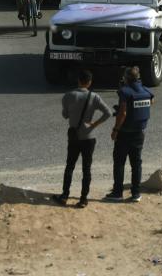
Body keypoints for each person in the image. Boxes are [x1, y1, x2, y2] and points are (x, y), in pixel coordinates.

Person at [52, 69, 112, 208]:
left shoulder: (68, 96)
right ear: (90, 82)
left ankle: (64, 195)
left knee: (70, 167)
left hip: (74, 137)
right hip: (89, 137)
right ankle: (83, 199)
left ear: (78, 80)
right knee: (86, 169)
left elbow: (65, 115)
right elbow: (108, 113)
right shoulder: (94, 97)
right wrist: (94, 124)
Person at [106, 66, 154, 203]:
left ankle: (117, 193)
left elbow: (123, 113)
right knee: (136, 163)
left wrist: (115, 130)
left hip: (125, 133)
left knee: (119, 162)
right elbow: (151, 102)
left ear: (127, 78)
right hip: (139, 133)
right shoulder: (146, 91)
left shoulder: (125, 92)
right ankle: (136, 193)